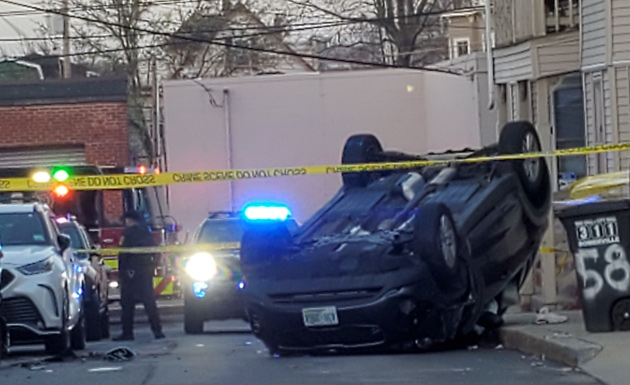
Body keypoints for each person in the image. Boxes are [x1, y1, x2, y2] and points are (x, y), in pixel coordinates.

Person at [113, 210, 165, 341]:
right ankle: (157, 331)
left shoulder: (128, 233)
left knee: (127, 305)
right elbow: (155, 252)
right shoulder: (146, 233)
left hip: (130, 273)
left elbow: (123, 254)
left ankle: (127, 333)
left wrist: (122, 272)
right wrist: (152, 267)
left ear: (129, 220)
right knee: (149, 303)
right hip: (145, 272)